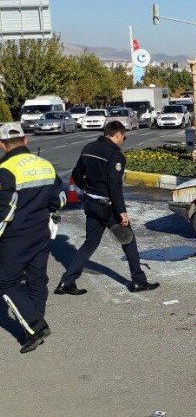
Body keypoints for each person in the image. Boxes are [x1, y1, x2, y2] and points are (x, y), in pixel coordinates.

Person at [55, 121, 159, 295]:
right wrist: (122, 211)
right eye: (123, 137)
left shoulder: (88, 148)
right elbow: (114, 186)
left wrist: (86, 189)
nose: (123, 140)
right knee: (128, 240)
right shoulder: (115, 155)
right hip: (108, 207)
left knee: (90, 244)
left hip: (91, 204)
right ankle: (139, 281)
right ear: (117, 134)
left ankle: (67, 282)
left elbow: (76, 174)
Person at [0, 124, 65, 353]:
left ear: (2, 145)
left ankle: (35, 326)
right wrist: (52, 214)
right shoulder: (45, 165)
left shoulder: (4, 169)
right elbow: (60, 198)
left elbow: (4, 211)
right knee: (37, 280)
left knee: (6, 282)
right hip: (41, 233)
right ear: (25, 140)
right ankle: (33, 325)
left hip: (15, 237)